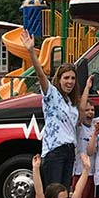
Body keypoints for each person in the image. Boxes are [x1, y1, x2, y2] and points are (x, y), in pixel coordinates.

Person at [20, 29, 80, 188]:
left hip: (69, 151)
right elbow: (41, 76)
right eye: (66, 78)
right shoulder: (52, 95)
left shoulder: (71, 101)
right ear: (59, 79)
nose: (70, 81)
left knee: (64, 195)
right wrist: (31, 52)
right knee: (53, 194)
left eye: (73, 78)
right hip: (55, 151)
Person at [73, 99, 97, 198]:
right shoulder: (79, 127)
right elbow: (80, 110)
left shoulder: (96, 125)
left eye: (92, 110)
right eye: (87, 110)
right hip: (80, 171)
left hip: (94, 172)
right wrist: (87, 87)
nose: (90, 112)